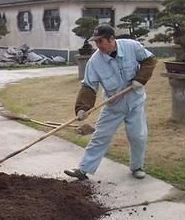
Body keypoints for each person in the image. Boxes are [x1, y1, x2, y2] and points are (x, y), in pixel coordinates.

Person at [64, 24, 157, 181]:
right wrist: (82, 108)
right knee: (100, 136)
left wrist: (140, 78)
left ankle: (137, 167)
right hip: (114, 106)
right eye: (96, 42)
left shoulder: (131, 46)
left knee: (138, 136)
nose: (98, 45)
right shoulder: (95, 62)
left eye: (100, 41)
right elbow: (88, 86)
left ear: (112, 39)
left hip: (135, 102)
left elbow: (149, 60)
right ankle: (83, 169)